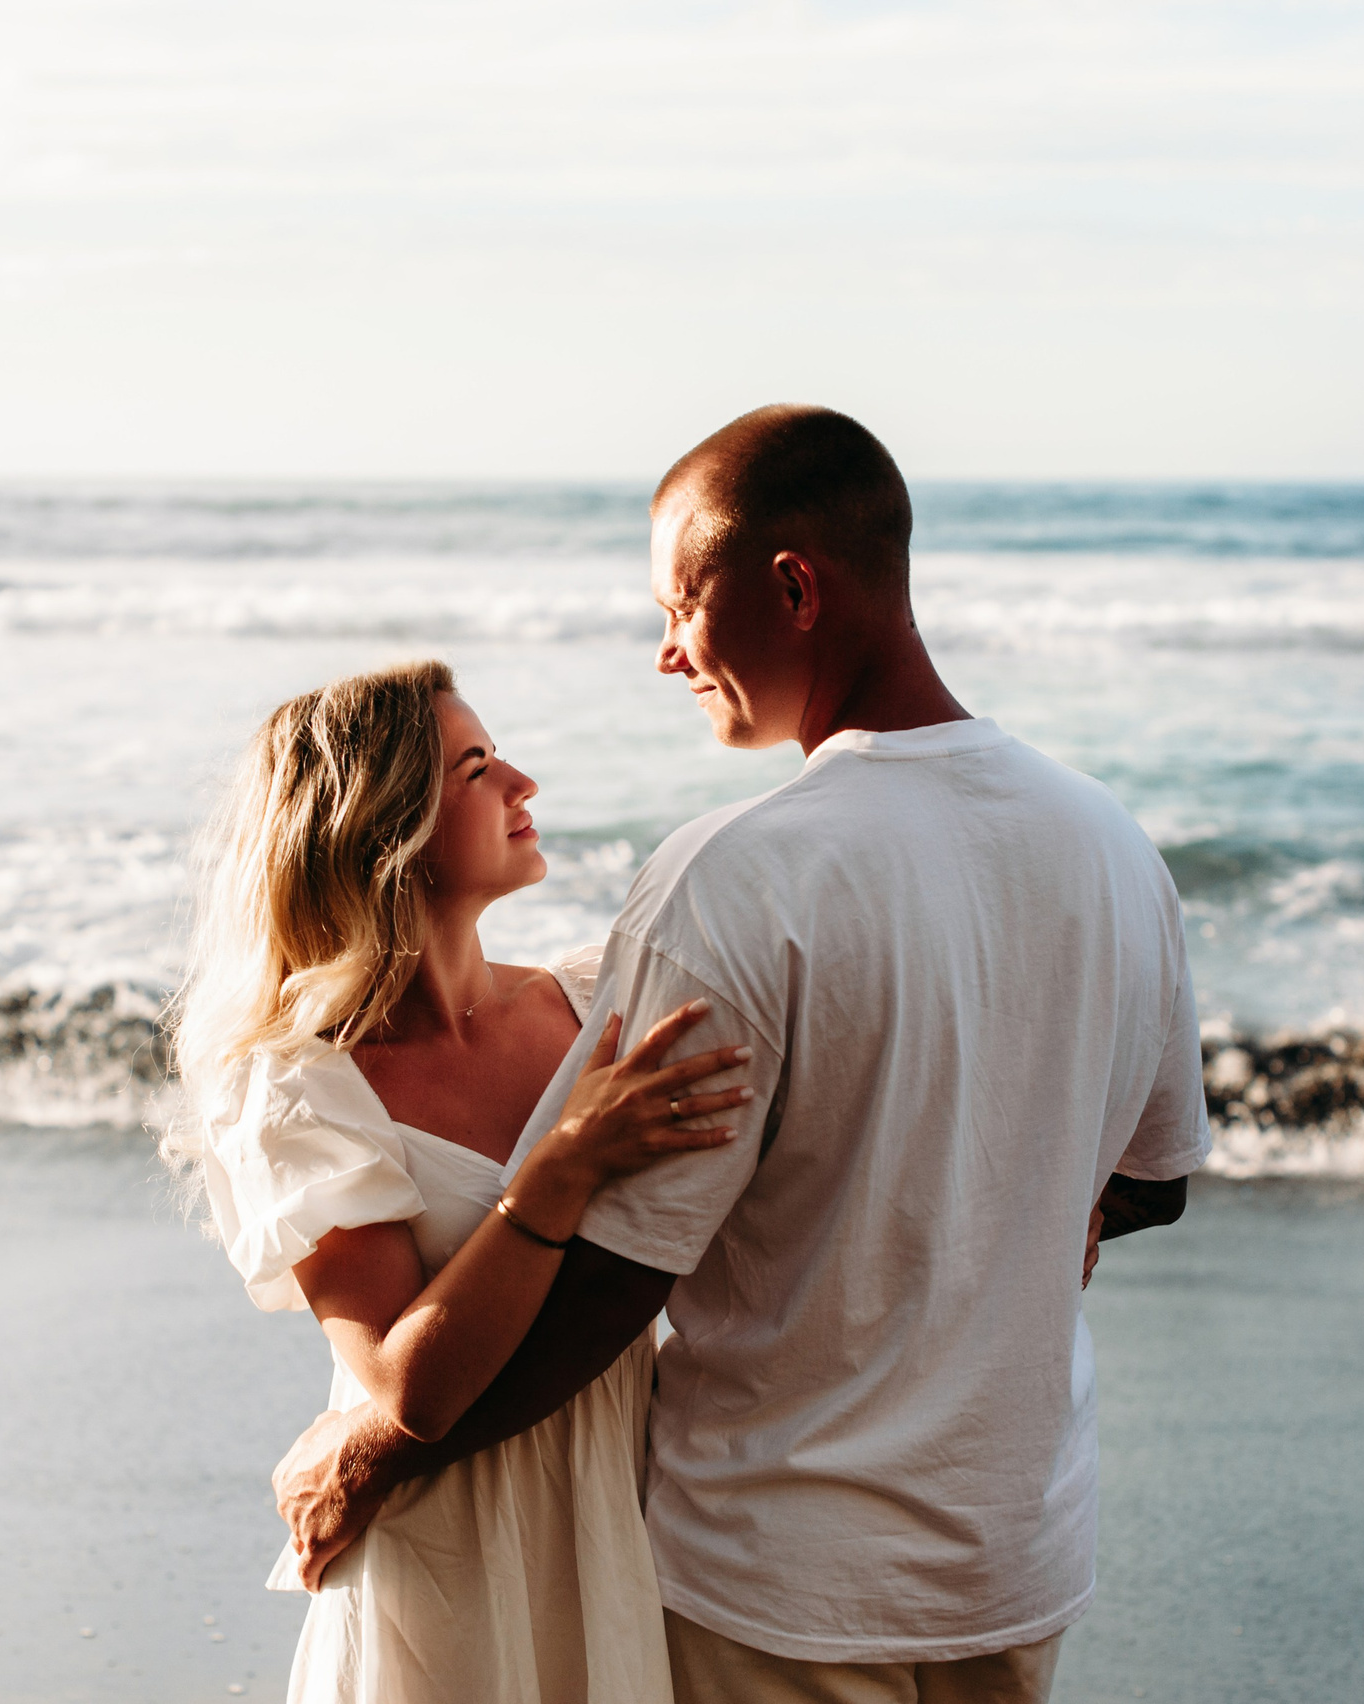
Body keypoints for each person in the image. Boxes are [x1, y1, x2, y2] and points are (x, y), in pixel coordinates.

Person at [272, 406, 1211, 1702]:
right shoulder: (1109, 844)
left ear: (793, 588)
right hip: (1013, 1551)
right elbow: (1155, 1179)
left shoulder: (734, 876)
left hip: (782, 1581)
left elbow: (612, 1283)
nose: (668, 655)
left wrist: (385, 1447)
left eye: (679, 606)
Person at [170, 659, 755, 1704]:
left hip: (626, 1520)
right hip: (442, 1555)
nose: (522, 782)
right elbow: (408, 1389)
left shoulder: (592, 1007)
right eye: (477, 768)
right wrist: (559, 1171)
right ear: (382, 829)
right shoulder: (299, 1084)